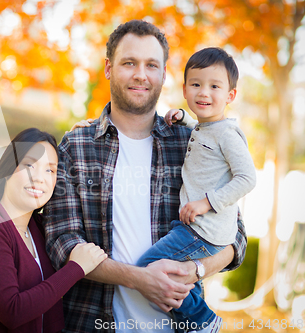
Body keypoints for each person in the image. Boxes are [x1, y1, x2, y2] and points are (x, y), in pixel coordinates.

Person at [44, 20, 248, 333]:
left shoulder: (190, 141)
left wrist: (195, 269)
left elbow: (235, 236)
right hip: (93, 323)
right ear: (109, 68)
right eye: (129, 63)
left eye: (151, 65)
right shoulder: (77, 145)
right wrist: (141, 279)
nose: (141, 74)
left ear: (164, 74)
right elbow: (62, 242)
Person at [133, 47, 257, 332]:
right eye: (196, 84)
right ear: (185, 89)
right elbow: (203, 136)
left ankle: (203, 320)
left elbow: (247, 178)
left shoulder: (227, 133)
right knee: (186, 279)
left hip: (202, 229)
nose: (204, 92)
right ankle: (193, 327)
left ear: (230, 96)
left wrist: (206, 203)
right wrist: (183, 119)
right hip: (194, 225)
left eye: (214, 86)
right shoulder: (204, 127)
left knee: (148, 267)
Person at [0, 128, 107, 333]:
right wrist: (76, 268)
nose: (39, 178)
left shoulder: (40, 227)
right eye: (29, 165)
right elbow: (13, 312)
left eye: (50, 170)